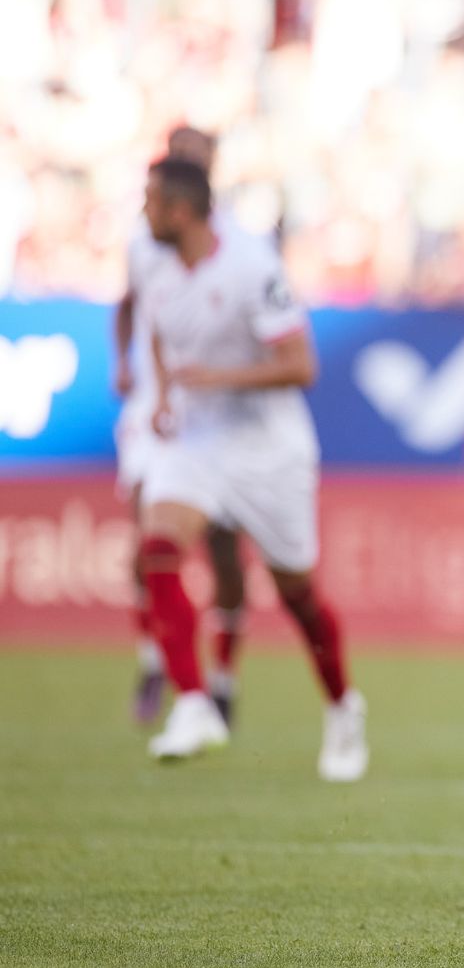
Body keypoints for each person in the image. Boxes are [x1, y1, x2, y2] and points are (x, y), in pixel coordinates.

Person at [136, 158, 367, 782]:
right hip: (199, 441)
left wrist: (217, 377)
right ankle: (192, 704)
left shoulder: (252, 268)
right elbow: (159, 338)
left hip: (269, 451)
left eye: (151, 201)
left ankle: (344, 706)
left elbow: (300, 365)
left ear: (181, 210)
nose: (144, 212)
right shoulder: (158, 272)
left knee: (298, 596)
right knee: (156, 547)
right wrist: (162, 397)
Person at [115, 126, 249, 728]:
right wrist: (129, 366)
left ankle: (221, 680)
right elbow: (129, 304)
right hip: (156, 409)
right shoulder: (145, 243)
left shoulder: (237, 244)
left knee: (224, 552)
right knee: (148, 540)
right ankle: (157, 662)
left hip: (219, 418)